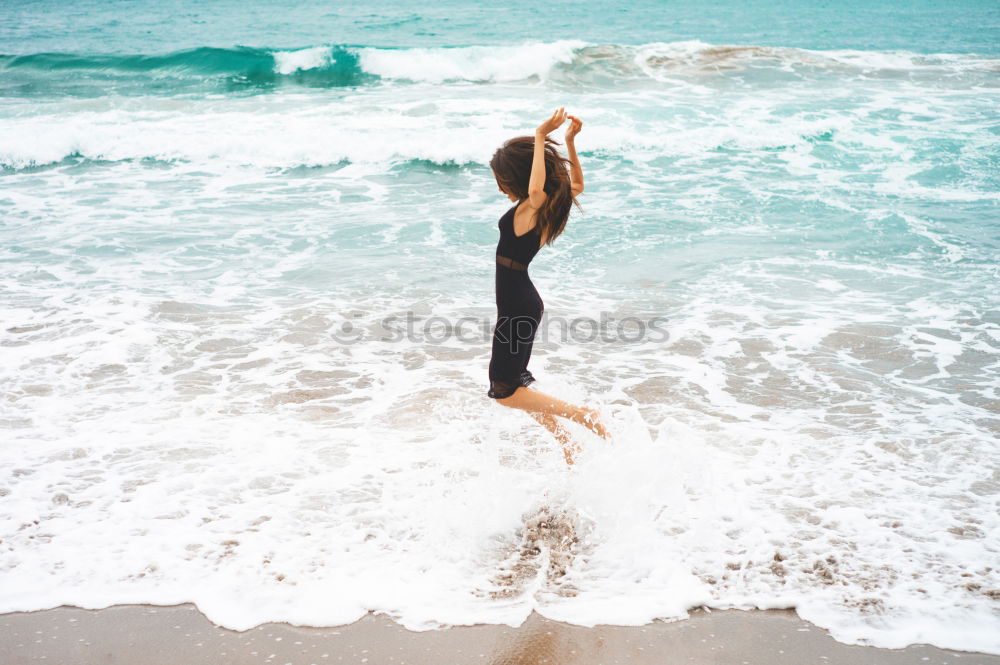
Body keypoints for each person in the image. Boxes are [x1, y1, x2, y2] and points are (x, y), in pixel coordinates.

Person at [487, 107, 611, 465]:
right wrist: (570, 142)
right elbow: (578, 185)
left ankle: (585, 416)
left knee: (505, 390)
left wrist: (542, 136)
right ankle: (568, 446)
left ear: (519, 178)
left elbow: (538, 187)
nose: (500, 188)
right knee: (515, 385)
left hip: (517, 303)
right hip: (520, 301)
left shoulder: (535, 205)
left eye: (502, 180)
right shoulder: (548, 205)